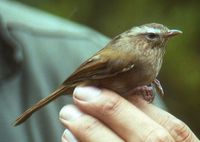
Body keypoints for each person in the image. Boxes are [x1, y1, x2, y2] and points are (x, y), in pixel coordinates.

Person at [0, 1, 198, 142]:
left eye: (164, 36)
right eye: (152, 36)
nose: (161, 39)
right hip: (91, 79)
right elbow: (98, 72)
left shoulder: (151, 57)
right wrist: (73, 82)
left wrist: (145, 83)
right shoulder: (132, 56)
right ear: (140, 39)